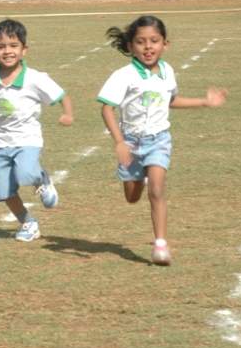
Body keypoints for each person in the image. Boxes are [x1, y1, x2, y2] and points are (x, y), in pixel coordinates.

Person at [98, 15, 228, 266]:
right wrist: (119, 142)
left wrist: (204, 102)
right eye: (140, 42)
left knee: (157, 190)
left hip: (159, 140)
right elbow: (106, 108)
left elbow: (171, 101)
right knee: (132, 197)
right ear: (130, 46)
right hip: (131, 143)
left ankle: (160, 244)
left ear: (165, 44)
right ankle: (141, 176)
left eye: (154, 41)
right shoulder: (124, 75)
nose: (148, 47)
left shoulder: (167, 71)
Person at [0, 19, 73, 242]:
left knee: (26, 173)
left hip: (27, 139)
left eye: (13, 45)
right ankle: (28, 223)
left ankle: (42, 180)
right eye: (1, 47)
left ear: (24, 49)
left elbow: (61, 95)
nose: (7, 51)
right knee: (5, 192)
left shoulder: (35, 78)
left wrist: (67, 114)